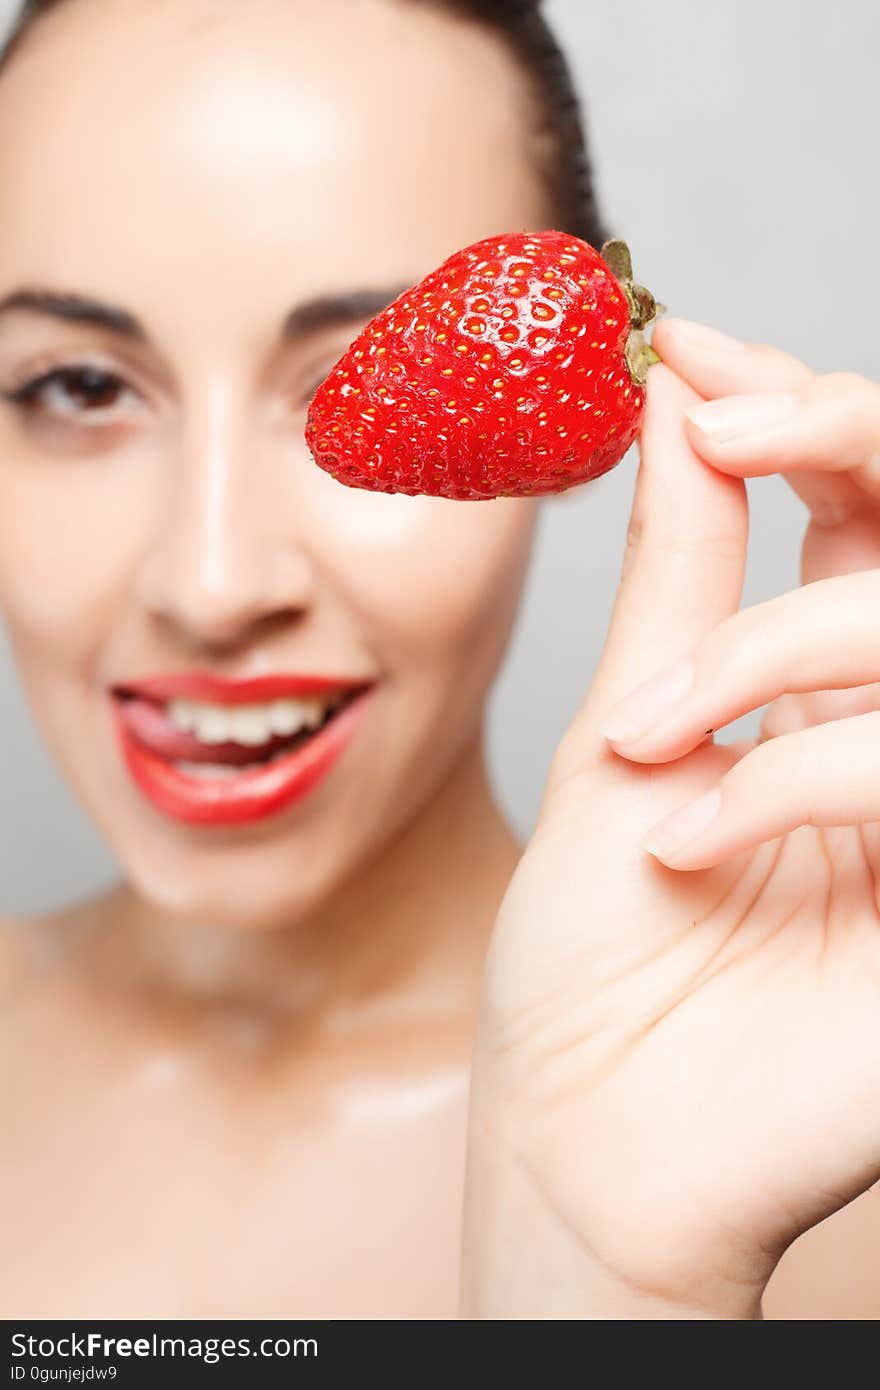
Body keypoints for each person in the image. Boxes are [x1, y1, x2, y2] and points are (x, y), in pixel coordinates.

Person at [1, 0, 878, 1321]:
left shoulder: (830, 1215)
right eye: (77, 385)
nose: (213, 583)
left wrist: (611, 1292)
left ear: (570, 418)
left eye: (351, 365)